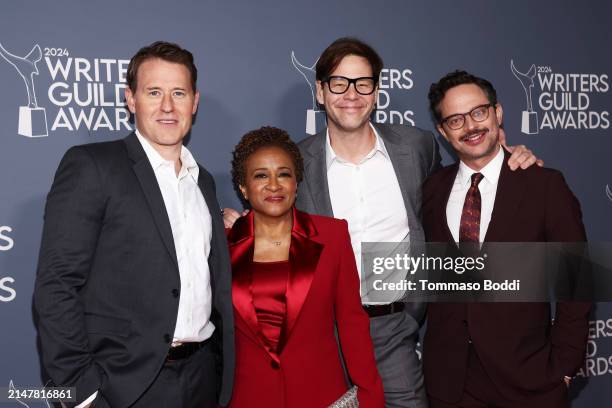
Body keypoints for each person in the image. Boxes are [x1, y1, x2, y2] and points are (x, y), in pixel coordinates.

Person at [224, 37, 540, 408]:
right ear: (321, 93)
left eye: (363, 83)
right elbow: (274, 213)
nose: (351, 94)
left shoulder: (416, 148)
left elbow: (458, 189)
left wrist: (509, 159)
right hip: (320, 335)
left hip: (393, 331)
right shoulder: (297, 161)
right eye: (338, 83)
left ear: (376, 92)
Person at [33, 41, 234, 408]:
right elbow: (57, 284)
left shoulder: (202, 180)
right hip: (125, 387)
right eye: (154, 92)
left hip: (202, 379)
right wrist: (82, 393)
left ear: (195, 101)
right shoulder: (93, 166)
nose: (168, 106)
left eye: (179, 92)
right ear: (131, 99)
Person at [422, 70, 591, 408]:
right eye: (455, 120)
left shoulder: (544, 185)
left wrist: (564, 367)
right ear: (442, 131)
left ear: (497, 113)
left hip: (528, 380)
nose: (470, 126)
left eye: (478, 112)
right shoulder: (431, 190)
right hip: (451, 384)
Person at [226, 126, 384, 407]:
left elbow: (352, 324)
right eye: (261, 175)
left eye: (284, 174)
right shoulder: (221, 246)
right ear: (243, 187)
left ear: (296, 182)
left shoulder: (332, 236)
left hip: (321, 396)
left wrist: (371, 396)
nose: (274, 185)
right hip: (248, 398)